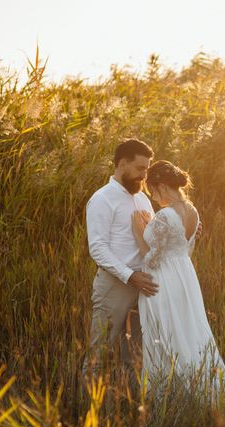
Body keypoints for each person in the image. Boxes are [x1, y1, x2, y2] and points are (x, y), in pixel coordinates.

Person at [131, 160, 225, 404]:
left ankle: (169, 398)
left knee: (165, 333)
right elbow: (185, 250)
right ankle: (204, 390)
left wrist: (138, 232)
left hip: (163, 278)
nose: (153, 198)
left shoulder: (165, 215)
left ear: (161, 186)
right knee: (188, 330)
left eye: (152, 192)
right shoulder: (193, 211)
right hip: (184, 276)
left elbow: (151, 259)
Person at [83, 138, 160, 386]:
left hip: (144, 286)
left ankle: (133, 411)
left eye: (147, 170)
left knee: (136, 357)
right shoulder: (102, 199)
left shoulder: (143, 199)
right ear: (122, 164)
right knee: (99, 355)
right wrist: (129, 275)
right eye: (140, 169)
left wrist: (189, 233)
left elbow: (155, 237)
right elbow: (97, 248)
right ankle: (90, 416)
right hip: (115, 285)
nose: (144, 175)